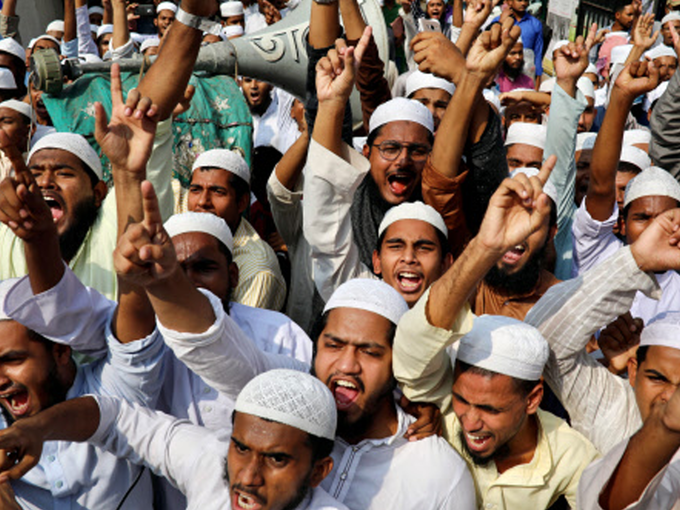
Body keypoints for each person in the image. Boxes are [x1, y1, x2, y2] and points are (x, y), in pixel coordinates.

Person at [393, 152, 598, 508]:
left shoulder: (572, 456)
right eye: (462, 401)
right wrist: (487, 246)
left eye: (490, 409)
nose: (469, 421)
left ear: (532, 399)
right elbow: (413, 344)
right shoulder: (444, 411)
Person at [0, 369, 350, 510]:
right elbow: (115, 418)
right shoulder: (212, 463)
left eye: (276, 459)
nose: (247, 477)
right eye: (241, 448)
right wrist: (36, 430)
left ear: (319, 470)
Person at [188, 149, 287, 311]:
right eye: (196, 190)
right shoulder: (185, 227)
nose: (202, 202)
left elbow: (238, 334)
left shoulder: (258, 270)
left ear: (242, 202)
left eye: (218, 192)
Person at [492, 0, 544, 89]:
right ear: (510, 2)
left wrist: (537, 83)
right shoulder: (498, 21)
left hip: (526, 73)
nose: (523, 3)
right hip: (502, 75)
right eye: (519, 0)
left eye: (526, 0)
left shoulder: (535, 24)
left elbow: (538, 55)